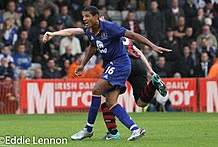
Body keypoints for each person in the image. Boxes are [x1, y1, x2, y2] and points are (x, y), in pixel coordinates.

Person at [43, 6, 170, 141]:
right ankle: (135, 129)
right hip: (116, 64)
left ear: (96, 17)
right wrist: (82, 65)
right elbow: (91, 47)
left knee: (96, 90)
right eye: (83, 16)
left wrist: (152, 46)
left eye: (87, 16)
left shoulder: (110, 27)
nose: (84, 19)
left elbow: (132, 35)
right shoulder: (91, 32)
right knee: (110, 101)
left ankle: (88, 129)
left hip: (120, 63)